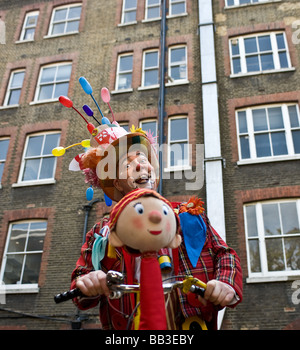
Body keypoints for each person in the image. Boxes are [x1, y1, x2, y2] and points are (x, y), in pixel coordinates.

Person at [69, 122, 243, 330]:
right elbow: (80, 287)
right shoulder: (100, 233)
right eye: (127, 164)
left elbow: (224, 254)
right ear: (116, 183)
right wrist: (89, 282)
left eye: (143, 159)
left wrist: (226, 283)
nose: (142, 165)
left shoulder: (188, 214)